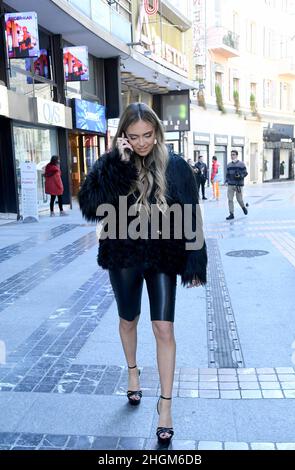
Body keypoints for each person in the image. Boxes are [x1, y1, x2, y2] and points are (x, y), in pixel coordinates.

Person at [78, 102, 207, 447]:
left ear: (157, 132)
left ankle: (165, 407)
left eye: (147, 135)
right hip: (123, 254)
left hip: (163, 254)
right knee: (129, 320)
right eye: (133, 137)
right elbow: (90, 207)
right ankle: (133, 373)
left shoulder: (176, 166)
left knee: (164, 327)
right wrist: (116, 165)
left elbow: (192, 214)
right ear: (123, 136)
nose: (142, 143)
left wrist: (195, 259)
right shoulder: (114, 164)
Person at [225, 150, 248, 220]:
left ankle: (243, 207)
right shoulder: (228, 165)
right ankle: (231, 214)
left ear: (237, 155)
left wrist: (240, 176)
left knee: (239, 199)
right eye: (231, 154)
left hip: (239, 185)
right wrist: (227, 181)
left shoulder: (242, 164)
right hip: (230, 185)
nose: (232, 156)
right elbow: (227, 174)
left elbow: (245, 173)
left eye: (233, 154)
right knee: (230, 199)